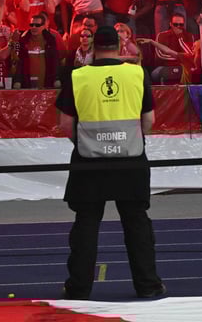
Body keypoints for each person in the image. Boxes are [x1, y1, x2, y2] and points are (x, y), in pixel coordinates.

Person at [56, 25, 165, 300]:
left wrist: (87, 145)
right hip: (130, 160)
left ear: (93, 48)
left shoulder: (78, 76)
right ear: (119, 47)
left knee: (86, 224)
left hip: (89, 162)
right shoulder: (136, 73)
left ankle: (79, 289)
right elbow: (149, 121)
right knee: (136, 223)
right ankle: (148, 286)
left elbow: (65, 124)